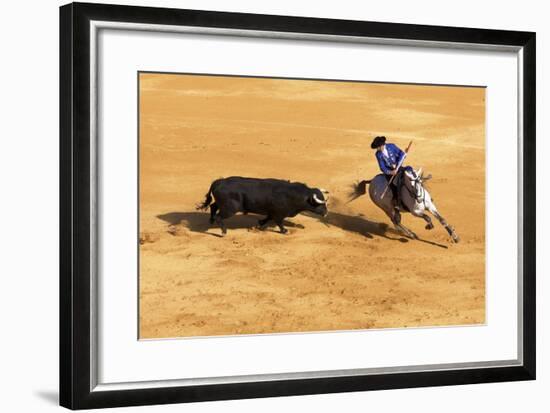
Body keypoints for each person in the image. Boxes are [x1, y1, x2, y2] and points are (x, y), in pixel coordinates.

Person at [371, 136, 408, 211]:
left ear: (381, 145)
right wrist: (391, 172)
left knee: (410, 173)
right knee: (394, 185)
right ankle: (397, 201)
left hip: (398, 167)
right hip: (389, 172)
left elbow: (400, 153)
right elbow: (382, 167)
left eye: (378, 147)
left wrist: (404, 155)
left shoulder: (392, 146)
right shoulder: (378, 154)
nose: (377, 149)